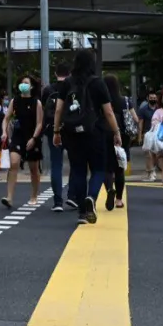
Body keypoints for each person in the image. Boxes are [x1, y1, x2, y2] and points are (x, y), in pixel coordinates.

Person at [51, 50, 121, 225]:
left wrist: (56, 132)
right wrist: (117, 132)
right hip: (95, 132)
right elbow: (109, 112)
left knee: (79, 170)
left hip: (72, 133)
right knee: (98, 169)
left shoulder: (67, 83)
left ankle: (82, 212)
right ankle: (92, 197)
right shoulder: (99, 83)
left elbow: (59, 109)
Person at [1, 76, 43, 209]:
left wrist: (34, 138)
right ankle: (9, 197)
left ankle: (34, 196)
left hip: (32, 136)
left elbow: (39, 123)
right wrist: (4, 132)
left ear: (31, 86)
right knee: (14, 163)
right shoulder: (15, 101)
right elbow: (6, 118)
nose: (23, 85)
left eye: (26, 83)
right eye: (21, 83)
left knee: (33, 169)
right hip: (18, 136)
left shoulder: (37, 103)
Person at [40, 62, 72, 212]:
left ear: (55, 74)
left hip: (53, 130)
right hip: (71, 129)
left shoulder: (48, 90)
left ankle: (58, 201)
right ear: (69, 73)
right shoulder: (72, 87)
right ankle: (73, 197)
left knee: (56, 165)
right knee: (76, 164)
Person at [102, 75, 130, 210]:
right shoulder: (124, 100)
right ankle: (119, 199)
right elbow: (131, 117)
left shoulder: (101, 99)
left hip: (105, 133)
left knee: (106, 167)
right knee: (120, 167)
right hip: (122, 135)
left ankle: (109, 189)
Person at [137, 91, 160, 181]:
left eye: (154, 98)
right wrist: (139, 136)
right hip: (147, 134)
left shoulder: (159, 109)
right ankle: (150, 172)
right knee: (148, 154)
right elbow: (140, 123)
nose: (153, 100)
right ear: (148, 99)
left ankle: (152, 169)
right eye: (151, 98)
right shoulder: (143, 109)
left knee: (156, 154)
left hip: (158, 134)